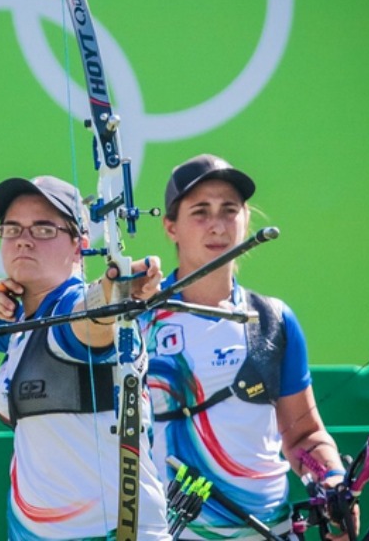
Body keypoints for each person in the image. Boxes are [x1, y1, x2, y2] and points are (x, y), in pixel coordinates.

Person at [0, 175, 171, 540]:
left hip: (111, 531)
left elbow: (96, 313)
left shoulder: (70, 312)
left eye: (44, 229)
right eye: (12, 228)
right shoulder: (21, 321)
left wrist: (120, 286)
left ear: (80, 243)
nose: (24, 239)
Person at [144, 154, 356, 540]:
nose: (218, 225)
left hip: (269, 530)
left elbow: (304, 436)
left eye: (229, 210)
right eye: (200, 212)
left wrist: (334, 482)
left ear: (245, 220)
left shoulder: (272, 319)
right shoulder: (137, 321)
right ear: (171, 227)